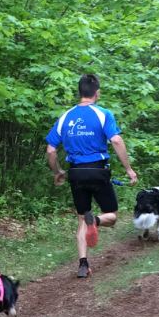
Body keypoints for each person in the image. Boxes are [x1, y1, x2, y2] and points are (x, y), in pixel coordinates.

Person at [45, 74, 138, 278]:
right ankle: (95, 220)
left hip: (75, 173)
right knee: (111, 217)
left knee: (81, 219)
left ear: (80, 92)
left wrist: (58, 172)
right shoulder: (103, 114)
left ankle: (83, 265)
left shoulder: (65, 117)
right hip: (97, 170)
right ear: (97, 93)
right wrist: (129, 169)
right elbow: (116, 141)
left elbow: (51, 150)